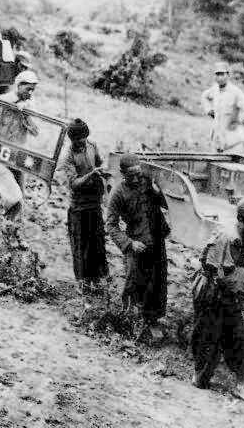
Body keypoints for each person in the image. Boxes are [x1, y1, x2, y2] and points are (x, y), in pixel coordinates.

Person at [191, 198, 244, 400]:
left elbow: (237, 266)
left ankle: (240, 385)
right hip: (213, 294)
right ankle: (199, 379)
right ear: (242, 221)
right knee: (208, 339)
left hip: (227, 295)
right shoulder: (230, 238)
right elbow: (221, 272)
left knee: (238, 340)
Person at [106, 152, 170, 335]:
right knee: (134, 281)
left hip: (157, 238)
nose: (135, 178)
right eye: (130, 175)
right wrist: (129, 243)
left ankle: (153, 319)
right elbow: (110, 225)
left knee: (158, 279)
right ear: (123, 173)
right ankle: (126, 319)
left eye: (138, 173)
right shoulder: (118, 192)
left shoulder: (148, 181)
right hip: (136, 242)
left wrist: (159, 192)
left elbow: (167, 205)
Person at [61, 118, 109, 293]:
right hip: (78, 206)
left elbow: (99, 162)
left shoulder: (92, 145)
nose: (81, 144)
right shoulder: (67, 156)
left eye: (83, 140)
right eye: (78, 142)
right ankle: (82, 282)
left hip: (95, 202)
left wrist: (101, 170)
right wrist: (93, 173)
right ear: (72, 140)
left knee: (97, 242)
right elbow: (74, 183)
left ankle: (97, 279)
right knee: (81, 245)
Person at [0, 70, 39, 220]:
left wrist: (27, 115)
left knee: (20, 195)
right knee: (12, 196)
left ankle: (13, 229)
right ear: (19, 85)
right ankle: (8, 222)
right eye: (27, 89)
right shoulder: (2, 100)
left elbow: (35, 132)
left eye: (33, 90)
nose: (30, 93)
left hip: (19, 154)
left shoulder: (30, 106)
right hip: (1, 152)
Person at [201, 61, 244, 154]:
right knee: (214, 166)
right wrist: (209, 110)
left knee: (229, 167)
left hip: (232, 142)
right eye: (217, 75)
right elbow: (204, 96)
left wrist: (240, 121)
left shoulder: (235, 92)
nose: (220, 78)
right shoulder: (214, 89)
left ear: (228, 75)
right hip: (217, 140)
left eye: (222, 74)